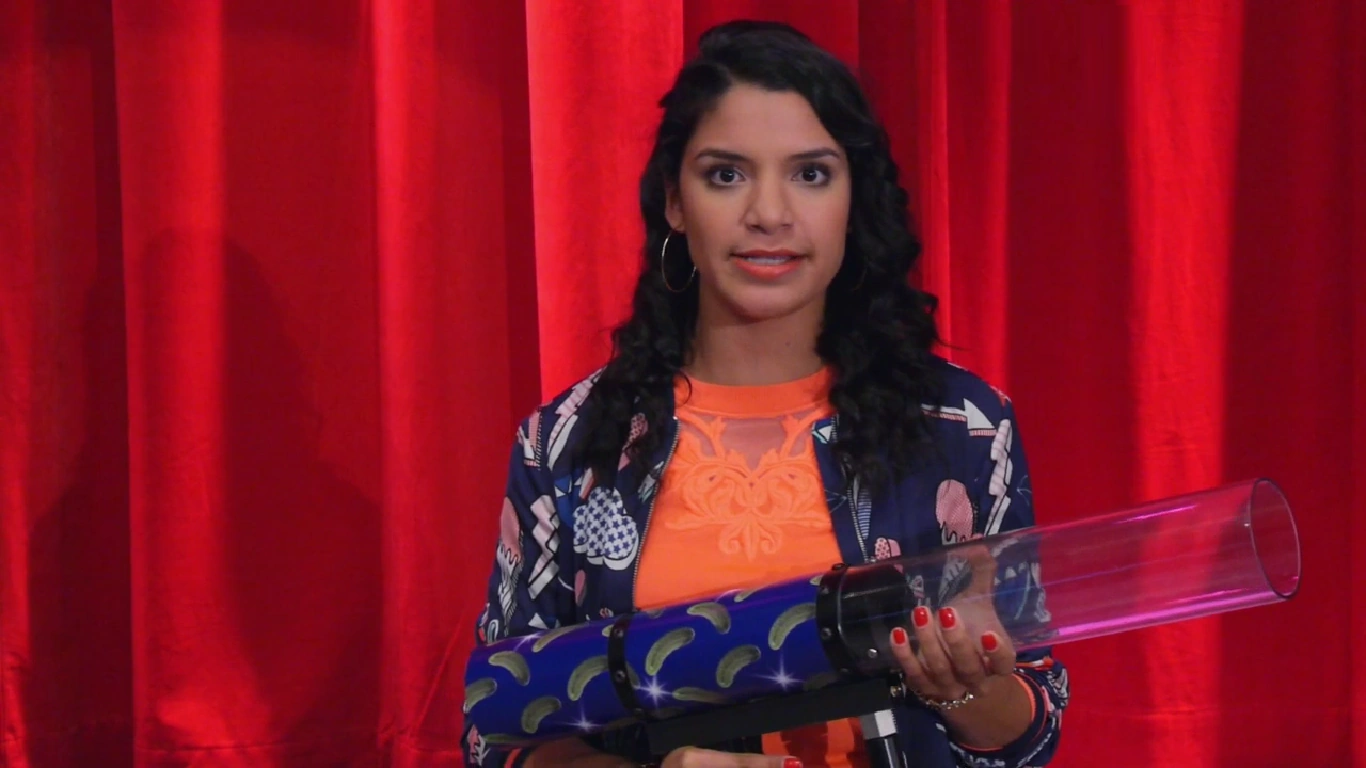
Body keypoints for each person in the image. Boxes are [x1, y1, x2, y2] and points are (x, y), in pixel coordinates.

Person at [462, 20, 1068, 768]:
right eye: (727, 175)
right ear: (675, 202)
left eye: (811, 174)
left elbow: (1031, 729)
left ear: (854, 199)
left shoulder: (963, 427)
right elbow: (497, 732)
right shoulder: (568, 442)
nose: (770, 214)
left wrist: (966, 691)